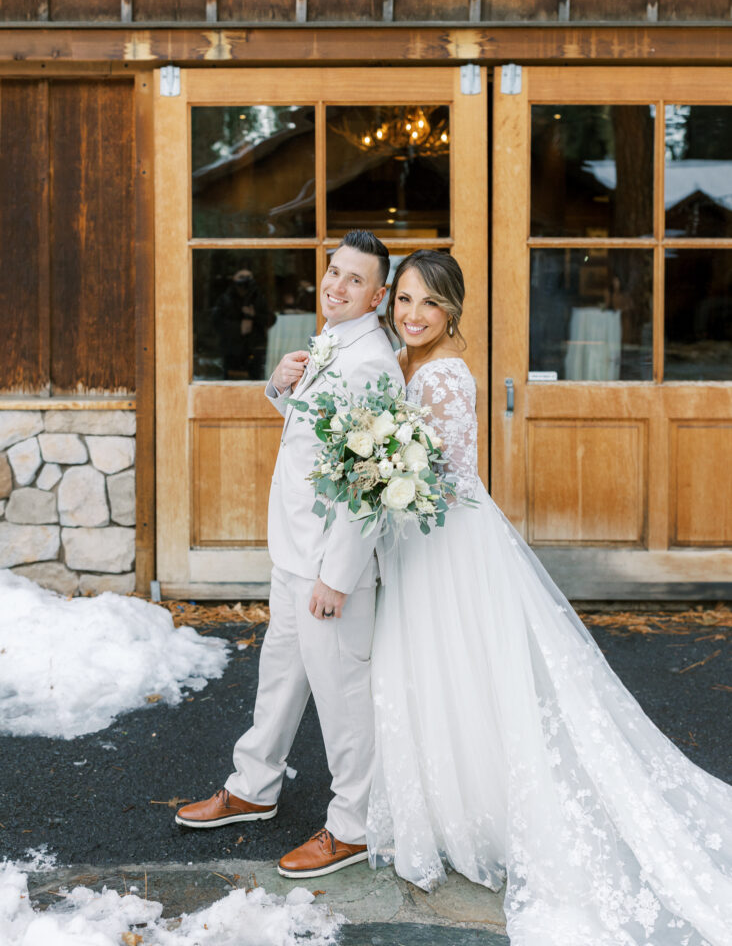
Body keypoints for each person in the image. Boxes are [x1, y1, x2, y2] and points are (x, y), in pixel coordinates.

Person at [366, 249, 732, 945]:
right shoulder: (399, 359)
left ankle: (483, 809)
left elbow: (448, 476)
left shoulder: (444, 375)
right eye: (404, 299)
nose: (413, 314)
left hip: (446, 542)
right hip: (414, 538)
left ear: (452, 312)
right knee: (431, 670)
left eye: (430, 303)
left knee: (462, 668)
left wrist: (384, 474)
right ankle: (446, 805)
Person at [176, 230, 405, 879]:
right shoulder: (333, 343)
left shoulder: (370, 364)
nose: (337, 285)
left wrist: (338, 577)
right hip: (295, 551)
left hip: (330, 567)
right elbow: (318, 438)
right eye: (334, 271)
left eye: (355, 279)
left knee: (343, 697)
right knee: (279, 676)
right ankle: (254, 785)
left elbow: (369, 480)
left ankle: (354, 826)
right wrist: (279, 388)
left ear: (378, 297)